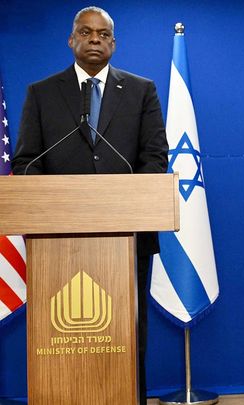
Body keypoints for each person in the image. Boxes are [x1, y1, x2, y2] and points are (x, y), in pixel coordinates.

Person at [12, 6, 169, 404]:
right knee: (60, 339)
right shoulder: (42, 93)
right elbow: (26, 161)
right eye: (86, 32)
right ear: (72, 40)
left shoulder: (141, 90)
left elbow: (154, 157)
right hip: (57, 244)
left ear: (114, 43)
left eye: (103, 34)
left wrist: (125, 202)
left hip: (129, 237)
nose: (94, 39)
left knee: (129, 333)